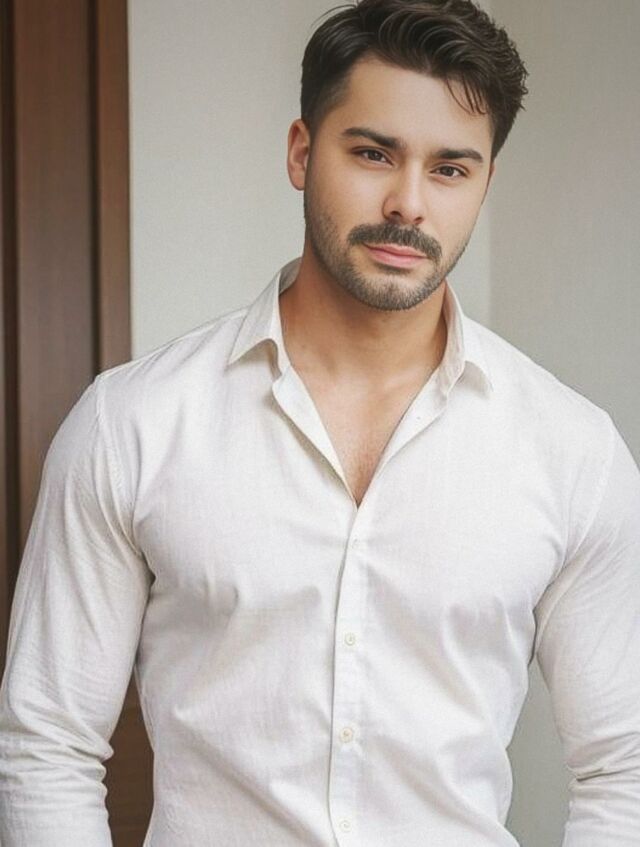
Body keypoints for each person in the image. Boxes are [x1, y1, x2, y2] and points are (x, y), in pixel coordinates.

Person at [1, 0, 639, 844]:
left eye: (451, 169)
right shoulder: (131, 425)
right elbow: (48, 739)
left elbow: (622, 764)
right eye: (374, 153)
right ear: (302, 153)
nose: (409, 203)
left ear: (486, 182)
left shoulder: (574, 452)